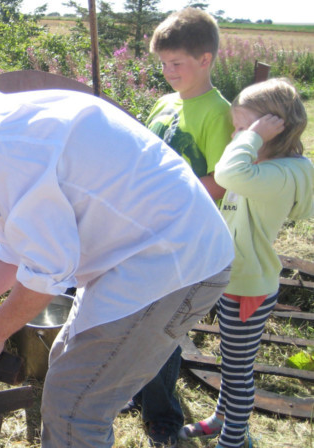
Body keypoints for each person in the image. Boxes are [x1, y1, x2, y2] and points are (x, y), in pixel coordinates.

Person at [0, 61, 234, 448]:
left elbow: (49, 269)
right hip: (139, 255)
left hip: (171, 262)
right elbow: (18, 251)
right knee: (68, 382)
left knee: (75, 408)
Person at [179, 78, 314, 448]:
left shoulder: (278, 174)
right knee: (230, 362)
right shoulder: (264, 165)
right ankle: (222, 419)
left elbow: (226, 174)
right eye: (238, 128)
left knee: (237, 373)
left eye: (245, 128)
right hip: (236, 278)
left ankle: (235, 440)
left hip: (248, 287)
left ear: (275, 127)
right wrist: (252, 137)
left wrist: (250, 137)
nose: (238, 136)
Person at [126, 8, 235, 447]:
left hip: (183, 240)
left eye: (178, 64)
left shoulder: (217, 113)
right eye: (163, 64)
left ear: (205, 59)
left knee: (162, 326)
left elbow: (223, 182)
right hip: (145, 231)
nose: (168, 73)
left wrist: (170, 201)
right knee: (135, 314)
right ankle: (137, 390)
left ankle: (163, 416)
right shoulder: (165, 103)